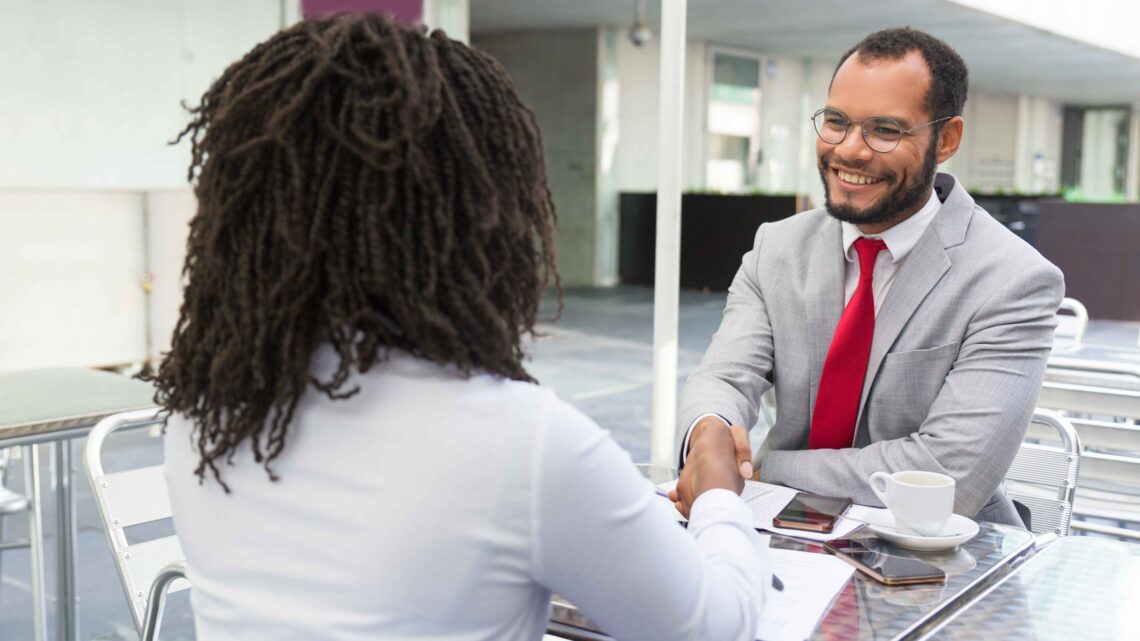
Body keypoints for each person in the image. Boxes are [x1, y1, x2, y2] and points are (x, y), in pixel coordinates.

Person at [152, 14, 769, 641]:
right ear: (476, 214)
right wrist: (717, 488)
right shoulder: (522, 444)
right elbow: (715, 628)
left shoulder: (203, 411)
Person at [673, 28, 1063, 528]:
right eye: (836, 121)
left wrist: (767, 467)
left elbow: (950, 475)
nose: (850, 150)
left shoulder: (1014, 279)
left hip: (942, 559)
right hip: (785, 537)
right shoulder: (777, 247)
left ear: (945, 140)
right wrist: (709, 433)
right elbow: (725, 377)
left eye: (885, 130)